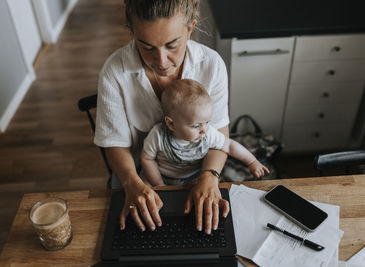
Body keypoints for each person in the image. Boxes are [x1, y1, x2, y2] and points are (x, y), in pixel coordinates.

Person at [94, 0, 230, 235]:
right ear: (132, 32)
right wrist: (132, 183)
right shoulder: (114, 72)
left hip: (199, 170)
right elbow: (115, 143)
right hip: (136, 174)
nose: (161, 61)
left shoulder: (212, 65)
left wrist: (210, 176)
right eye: (146, 47)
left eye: (172, 45)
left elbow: (219, 132)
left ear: (190, 28)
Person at [141, 79, 270, 187]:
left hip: (195, 177)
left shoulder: (208, 134)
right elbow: (147, 158)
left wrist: (252, 162)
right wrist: (159, 185)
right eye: (196, 126)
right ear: (171, 124)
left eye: (207, 122)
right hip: (161, 176)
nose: (203, 129)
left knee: (212, 189)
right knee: (144, 185)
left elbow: (230, 146)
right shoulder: (158, 135)